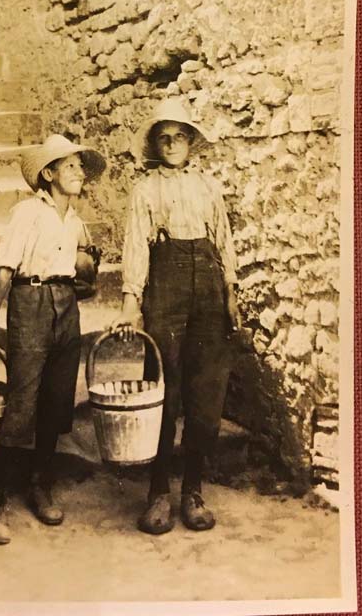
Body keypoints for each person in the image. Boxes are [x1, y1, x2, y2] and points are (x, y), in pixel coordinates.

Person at [114, 98, 241, 536]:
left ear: (191, 142)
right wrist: (132, 300)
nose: (172, 144)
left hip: (208, 287)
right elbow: (135, 245)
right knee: (163, 389)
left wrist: (229, 293)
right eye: (164, 138)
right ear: (155, 144)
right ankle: (157, 493)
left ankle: (193, 489)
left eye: (179, 136)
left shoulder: (208, 186)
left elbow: (223, 241)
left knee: (206, 391)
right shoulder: (145, 189)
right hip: (165, 285)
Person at [0, 133, 106, 545]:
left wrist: (87, 269)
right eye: (68, 166)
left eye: (79, 166)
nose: (77, 172)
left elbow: (83, 278)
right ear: (48, 174)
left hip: (66, 305)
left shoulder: (76, 221)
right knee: (22, 402)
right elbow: (5, 268)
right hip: (29, 300)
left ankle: (40, 483)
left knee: (56, 399)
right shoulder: (27, 212)